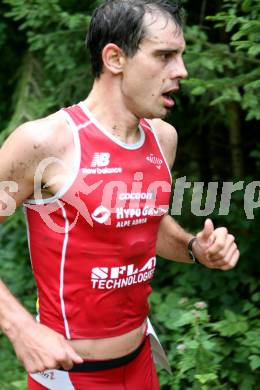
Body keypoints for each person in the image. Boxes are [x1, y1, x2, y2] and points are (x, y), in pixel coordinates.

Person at [0, 0, 239, 389]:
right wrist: (20, 328)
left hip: (140, 365)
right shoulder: (45, 142)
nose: (181, 71)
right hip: (68, 377)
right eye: (164, 55)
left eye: (180, 56)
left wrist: (196, 248)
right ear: (115, 58)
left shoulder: (163, 138)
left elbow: (142, 222)